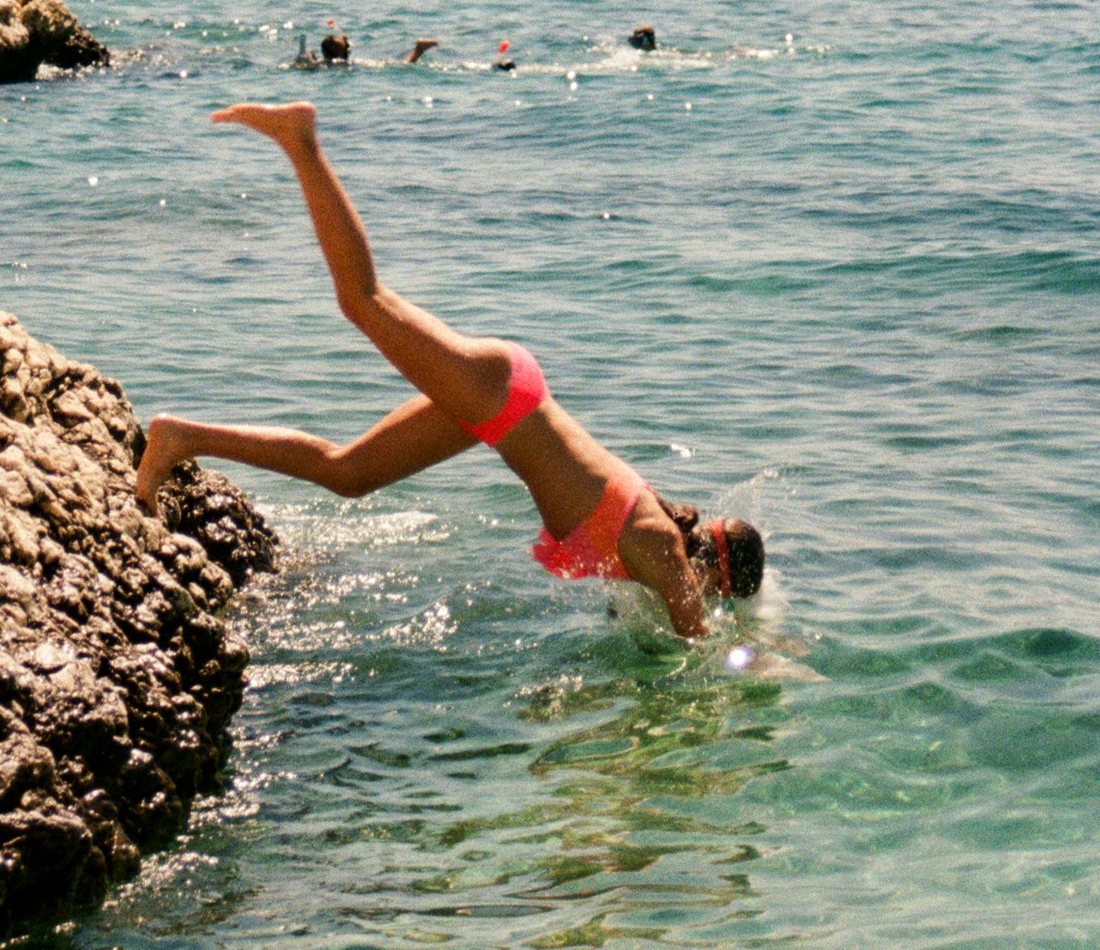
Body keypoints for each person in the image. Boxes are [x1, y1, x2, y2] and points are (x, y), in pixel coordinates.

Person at [135, 102, 765, 641]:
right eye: (717, 595)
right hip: (500, 397)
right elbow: (698, 647)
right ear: (715, 574)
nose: (706, 600)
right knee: (362, 300)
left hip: (499, 410)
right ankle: (301, 139)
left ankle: (179, 437)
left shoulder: (655, 538)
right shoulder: (659, 546)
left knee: (347, 474)